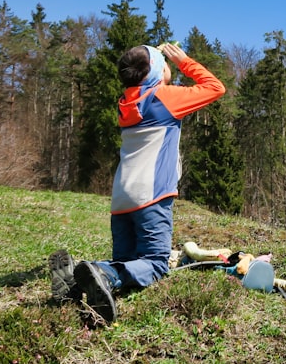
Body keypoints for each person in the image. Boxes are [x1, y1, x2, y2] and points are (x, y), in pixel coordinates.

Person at [50, 41, 226, 323]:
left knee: (129, 264)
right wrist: (184, 61)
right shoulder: (166, 97)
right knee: (156, 265)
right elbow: (215, 87)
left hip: (121, 198)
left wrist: (154, 60)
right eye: (164, 65)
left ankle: (76, 282)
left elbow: (143, 80)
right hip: (152, 195)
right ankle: (102, 272)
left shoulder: (125, 102)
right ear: (156, 73)